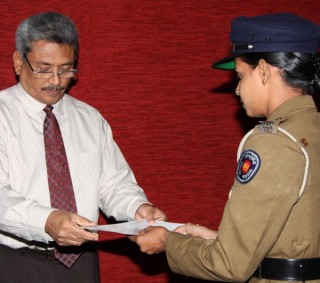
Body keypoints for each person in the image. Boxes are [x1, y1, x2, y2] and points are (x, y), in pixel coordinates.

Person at [131, 12, 320, 282]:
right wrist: (218, 240)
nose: (238, 90)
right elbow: (299, 235)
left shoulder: (273, 142)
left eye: (240, 76)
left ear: (264, 70)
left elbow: (229, 265)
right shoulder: (310, 130)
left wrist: (168, 243)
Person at [0, 11, 166, 283]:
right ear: (19, 62)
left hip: (81, 261)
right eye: (44, 68)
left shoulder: (90, 118)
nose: (56, 80)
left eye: (66, 68)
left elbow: (113, 184)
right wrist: (47, 220)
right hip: (12, 263)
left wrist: (136, 208)